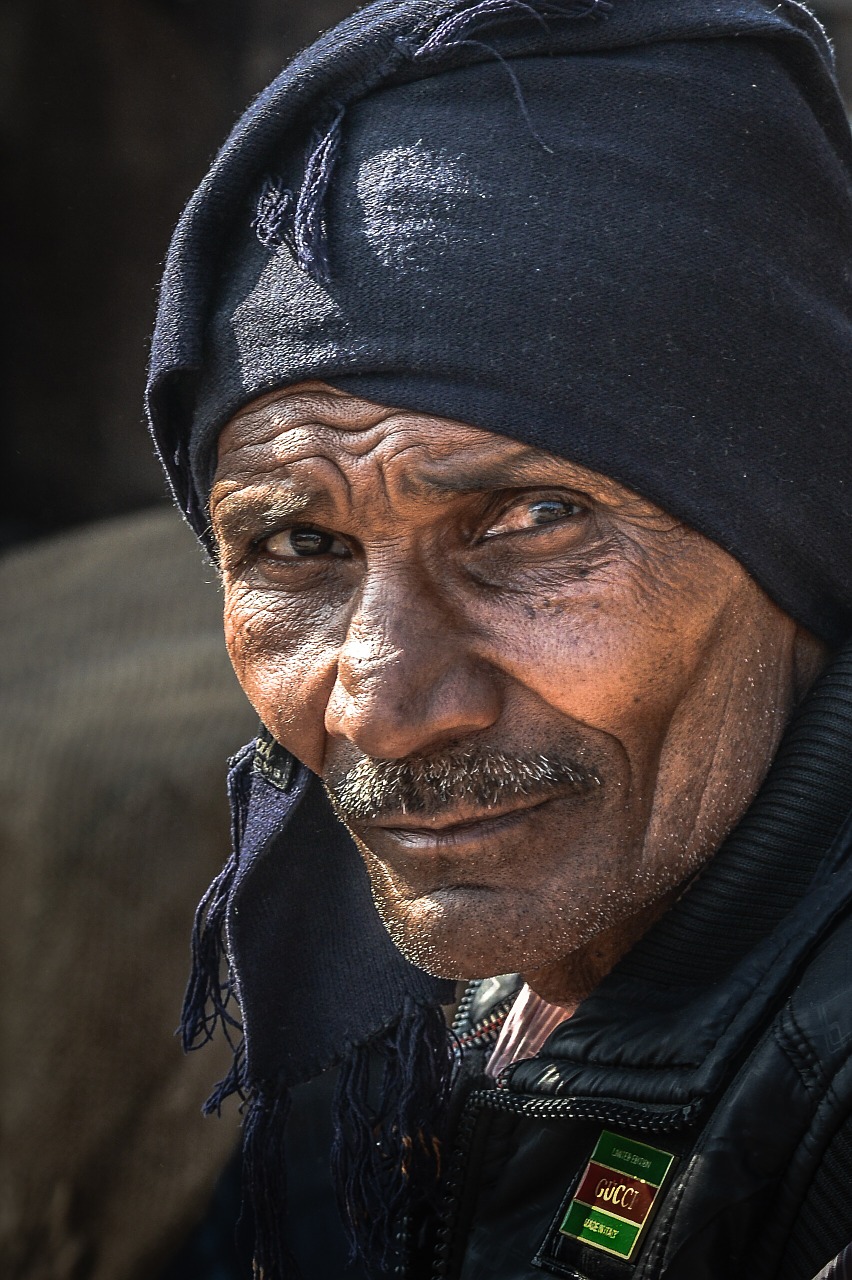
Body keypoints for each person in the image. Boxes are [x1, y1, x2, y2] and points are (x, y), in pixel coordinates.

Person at [146, 0, 852, 1276]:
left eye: (532, 521)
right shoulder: (372, 992)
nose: (382, 706)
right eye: (298, 545)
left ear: (796, 527)